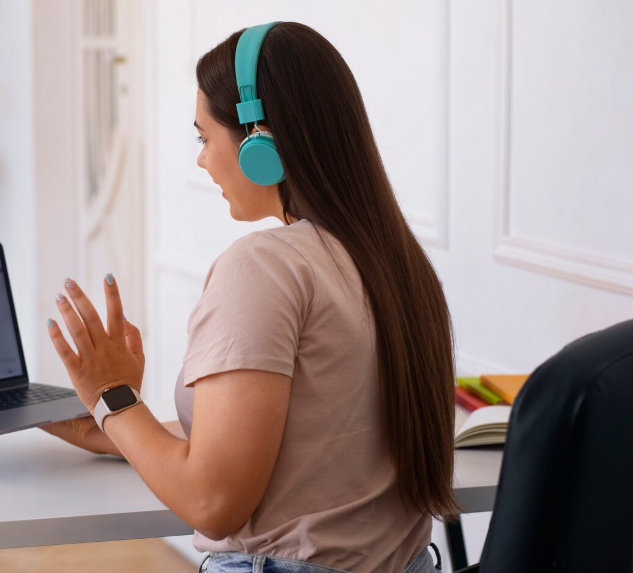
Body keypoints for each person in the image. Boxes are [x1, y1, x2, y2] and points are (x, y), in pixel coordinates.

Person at [41, 22, 454, 573]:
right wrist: (115, 420)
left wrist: (113, 393)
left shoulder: (265, 265)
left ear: (259, 141)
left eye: (204, 138)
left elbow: (212, 504)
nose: (202, 160)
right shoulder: (397, 263)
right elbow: (304, 441)